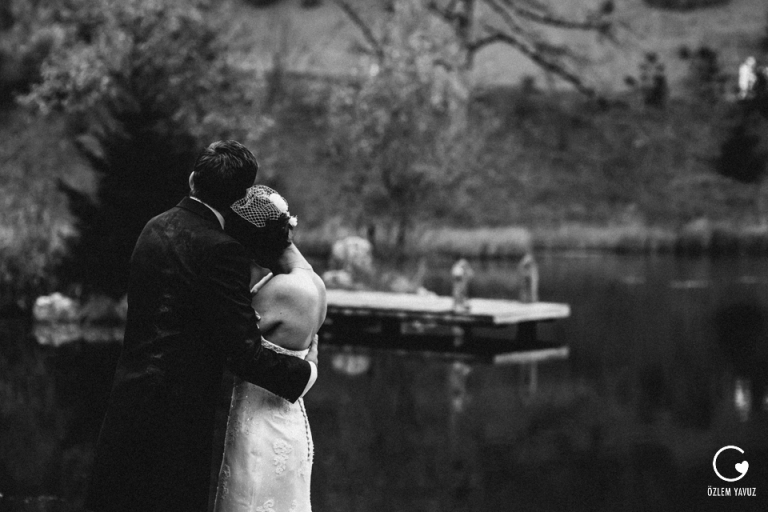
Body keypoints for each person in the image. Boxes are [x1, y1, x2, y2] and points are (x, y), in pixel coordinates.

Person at [85, 141, 318, 512]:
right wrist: (305, 371)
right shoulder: (223, 250)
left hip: (127, 400)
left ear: (193, 179)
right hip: (179, 416)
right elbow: (242, 353)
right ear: (241, 199)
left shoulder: (154, 227)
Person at [213, 185, 327, 512]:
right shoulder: (313, 282)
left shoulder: (285, 288)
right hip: (285, 419)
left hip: (263, 427)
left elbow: (232, 340)